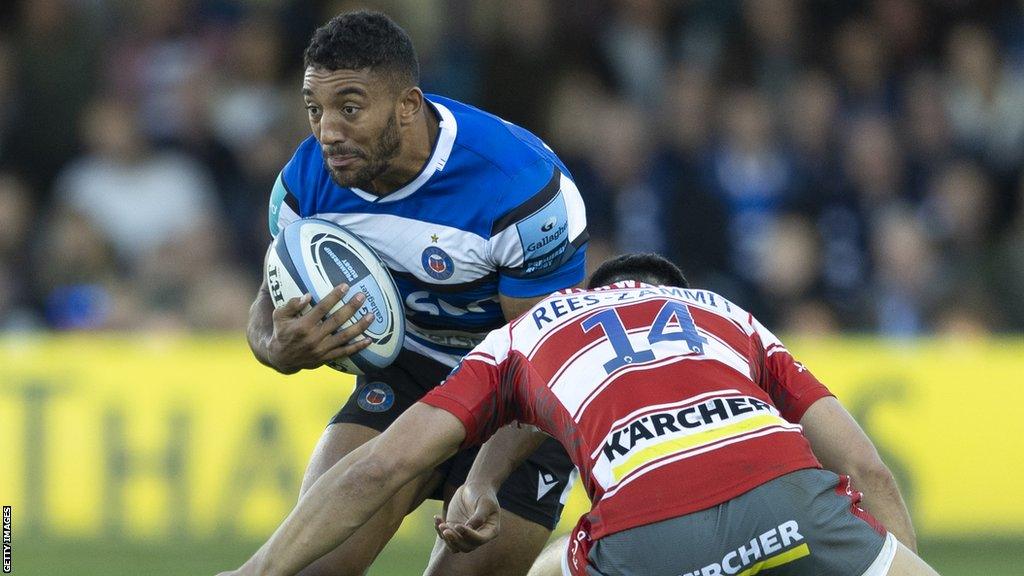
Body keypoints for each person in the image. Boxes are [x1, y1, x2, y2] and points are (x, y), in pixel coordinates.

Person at [224, 254, 940, 576]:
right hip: (791, 499)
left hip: (646, 528)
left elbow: (381, 466)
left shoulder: (526, 334)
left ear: (593, 294)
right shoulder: (729, 317)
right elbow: (865, 466)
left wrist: (259, 571)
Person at [244, 11, 588, 576]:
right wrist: (272, 345)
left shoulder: (521, 190)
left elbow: (542, 362)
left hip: (516, 402)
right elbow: (266, 297)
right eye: (314, 109)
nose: (328, 131)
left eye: (349, 109)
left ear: (407, 105)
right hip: (407, 377)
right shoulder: (305, 183)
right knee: (313, 568)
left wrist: (482, 479)